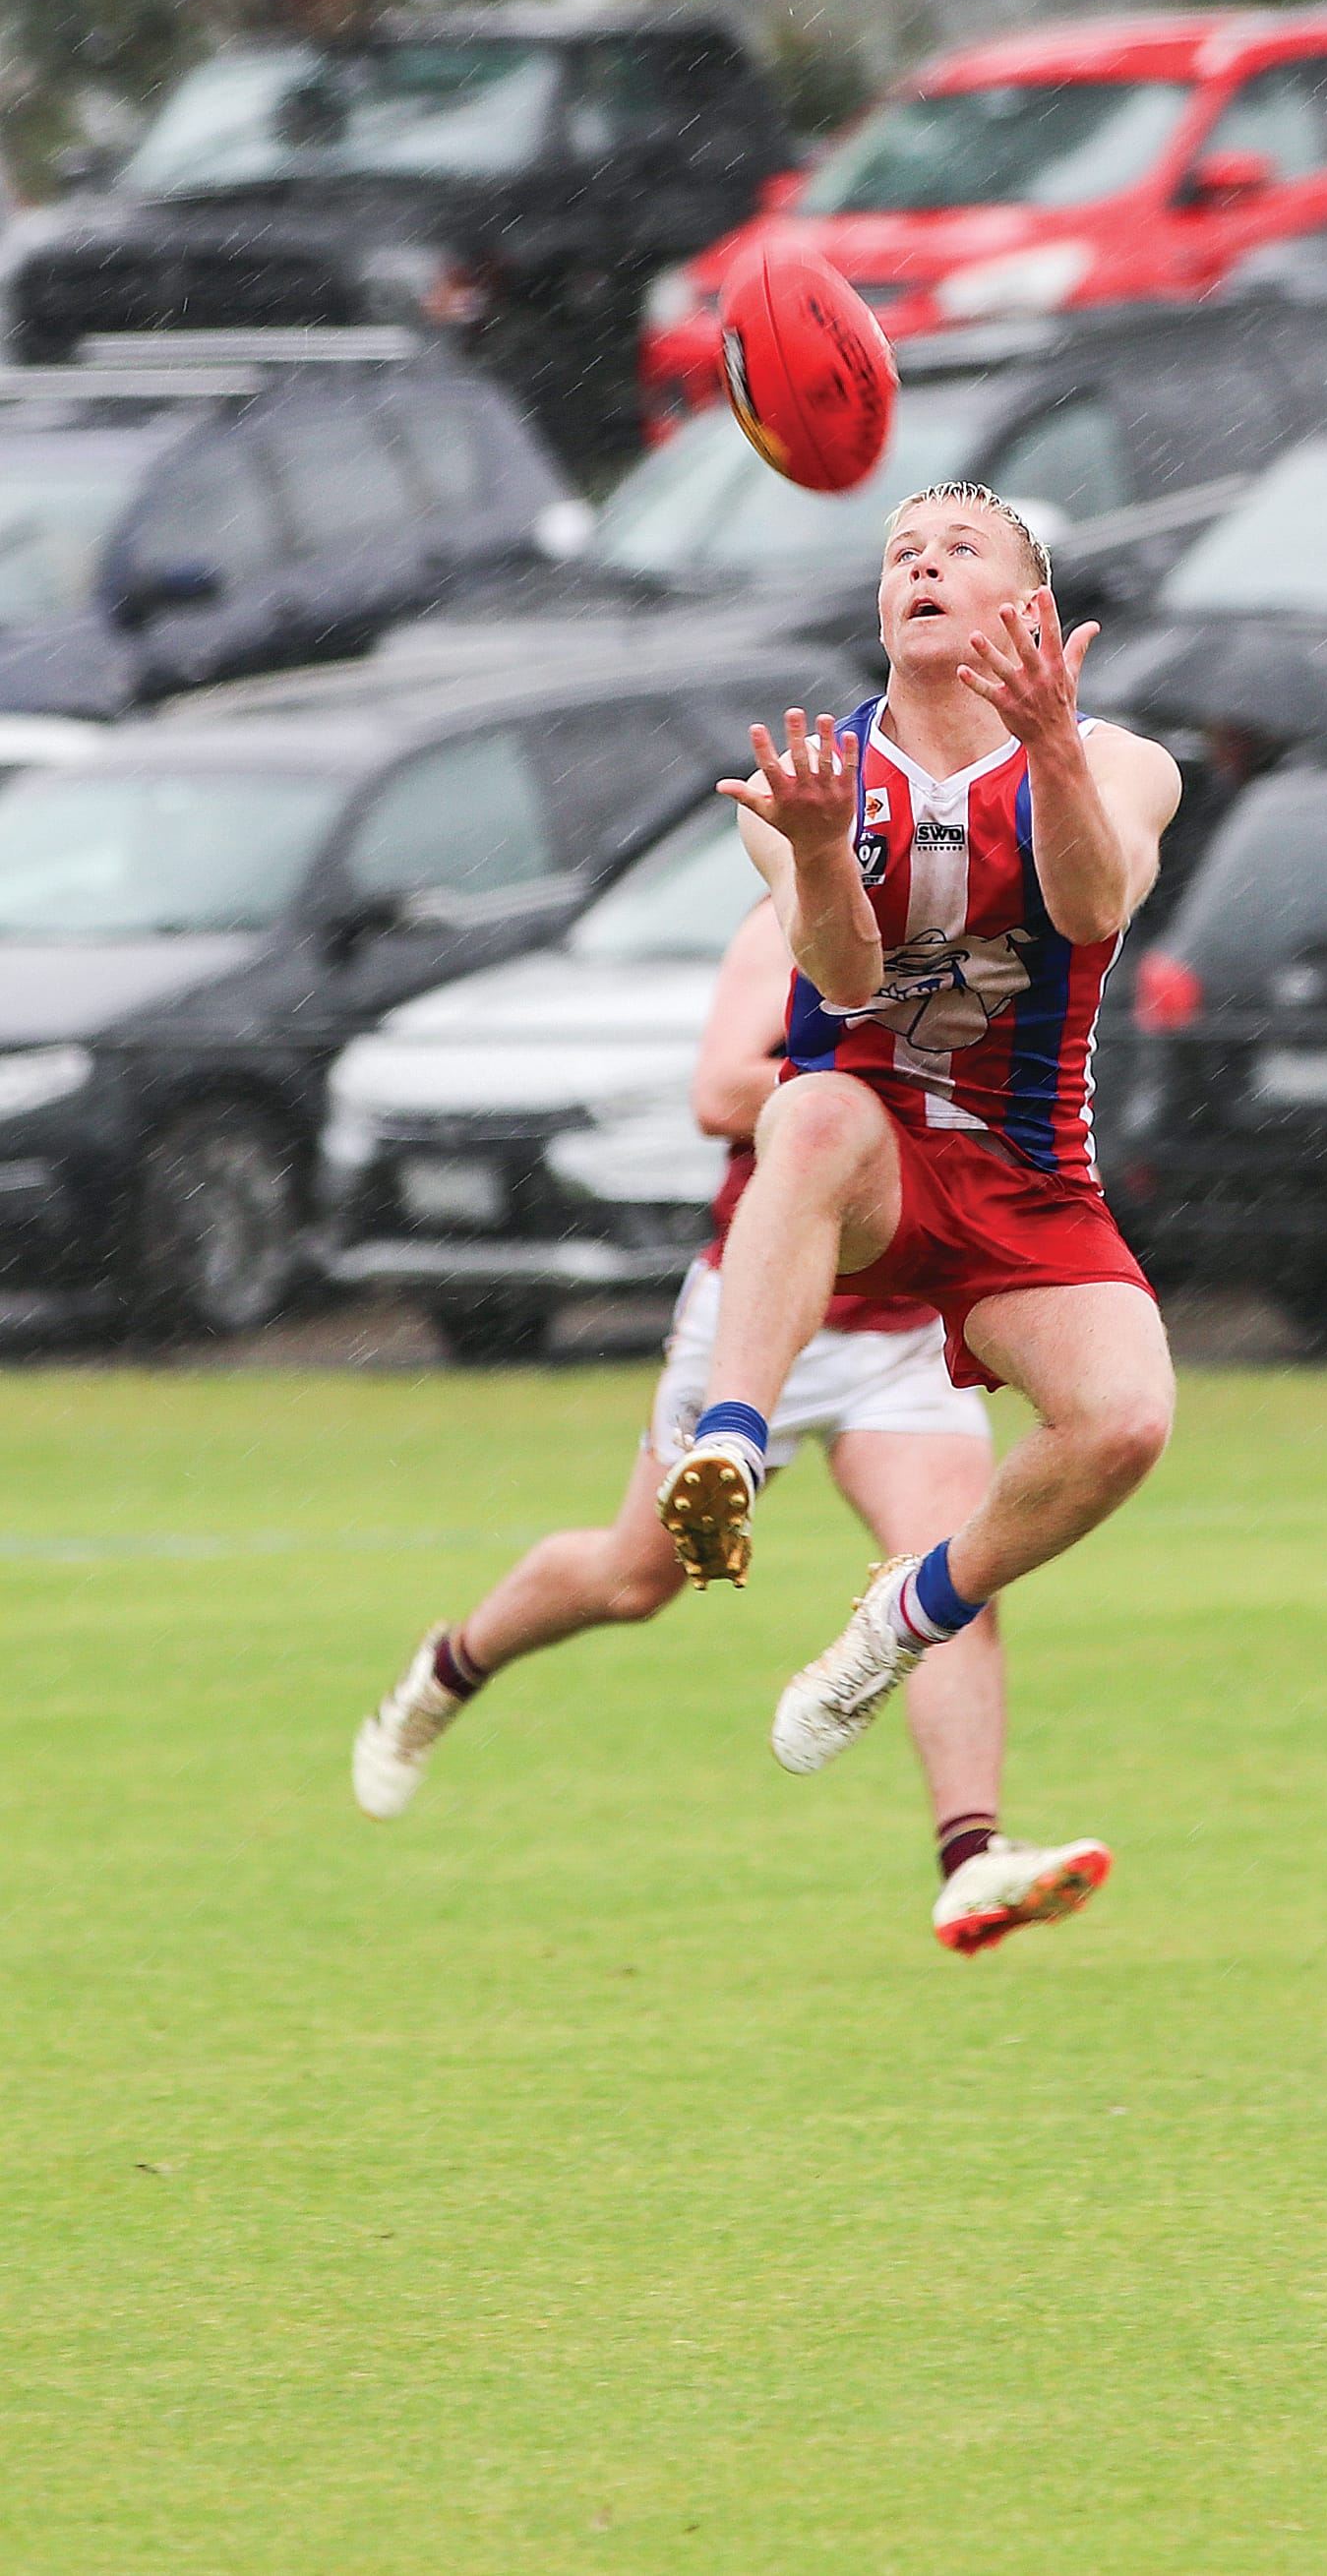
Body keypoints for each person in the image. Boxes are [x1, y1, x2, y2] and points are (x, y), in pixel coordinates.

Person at [351, 891, 1114, 1954]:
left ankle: (969, 1857)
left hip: (903, 1328)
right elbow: (720, 1092)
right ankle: (447, 1673)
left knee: (953, 1578)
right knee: (629, 1579)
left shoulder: (993, 919)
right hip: (764, 1315)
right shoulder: (790, 918)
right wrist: (905, 1079)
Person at [656, 476, 1181, 1817]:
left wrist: (1051, 744)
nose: (924, 565)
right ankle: (729, 1440)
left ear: (1029, 606)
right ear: (882, 604)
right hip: (875, 1155)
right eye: (902, 553)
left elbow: (1088, 902)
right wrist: (823, 849)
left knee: (1124, 1422)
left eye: (960, 547)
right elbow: (838, 980)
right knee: (812, 1105)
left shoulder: (1122, 761)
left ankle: (909, 1612)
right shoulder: (808, 775)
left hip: (1024, 1165)